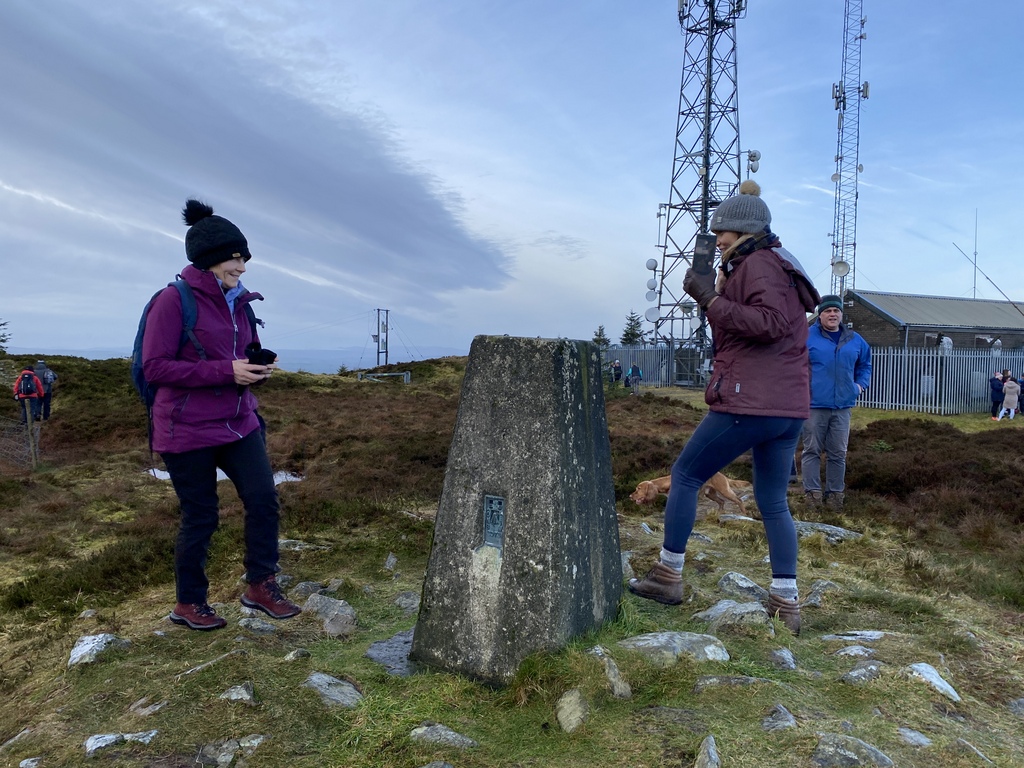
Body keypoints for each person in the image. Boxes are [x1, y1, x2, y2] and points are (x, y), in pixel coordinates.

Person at [627, 180, 820, 635]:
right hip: (787, 407)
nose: (717, 241)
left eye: (724, 233)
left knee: (688, 475)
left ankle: (668, 576)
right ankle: (786, 602)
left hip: (749, 399)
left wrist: (710, 299)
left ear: (747, 231)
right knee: (773, 501)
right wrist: (716, 292)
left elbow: (768, 324)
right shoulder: (775, 265)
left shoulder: (759, 265)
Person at [142, 198, 300, 631]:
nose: (243, 268)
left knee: (264, 499)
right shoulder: (173, 302)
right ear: (211, 260)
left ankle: (261, 584)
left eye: (244, 259)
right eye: (235, 259)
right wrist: (225, 370)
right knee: (202, 515)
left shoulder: (240, 302)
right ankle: (190, 602)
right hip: (185, 428)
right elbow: (155, 367)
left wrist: (253, 369)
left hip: (238, 421)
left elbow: (235, 357)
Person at [801, 295, 872, 509]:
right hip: (814, 405)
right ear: (819, 314)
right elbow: (793, 364)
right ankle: (812, 495)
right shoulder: (805, 336)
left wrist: (859, 386)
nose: (833, 314)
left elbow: (865, 364)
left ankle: (835, 497)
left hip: (843, 406)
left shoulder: (855, 339)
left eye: (836, 311)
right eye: (827, 311)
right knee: (811, 450)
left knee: (838, 453)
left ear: (841, 314)